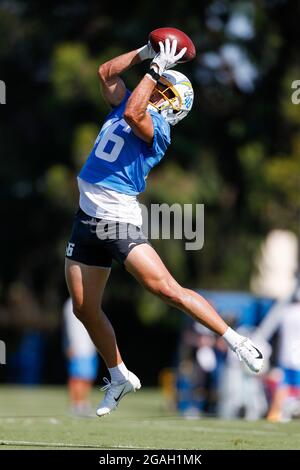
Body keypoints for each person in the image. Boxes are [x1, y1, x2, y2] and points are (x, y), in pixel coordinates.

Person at [64, 37, 264, 418]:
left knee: (165, 289)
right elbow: (105, 73)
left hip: (116, 220)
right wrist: (145, 52)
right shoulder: (130, 100)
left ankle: (237, 342)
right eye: (159, 84)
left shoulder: (156, 126)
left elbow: (132, 114)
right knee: (84, 308)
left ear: (173, 103)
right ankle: (118, 374)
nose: (157, 89)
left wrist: (155, 71)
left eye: (164, 89)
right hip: (86, 217)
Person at [255, 283, 300, 422]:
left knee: (283, 388)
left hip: (285, 357)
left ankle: (274, 415)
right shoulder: (290, 313)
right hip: (295, 358)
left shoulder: (285, 312)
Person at [63, 297, 99, 416]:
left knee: (87, 376)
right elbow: (70, 327)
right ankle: (76, 403)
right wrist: (71, 344)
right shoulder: (72, 303)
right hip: (78, 346)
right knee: (77, 376)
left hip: (89, 346)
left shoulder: (89, 299)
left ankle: (83, 402)